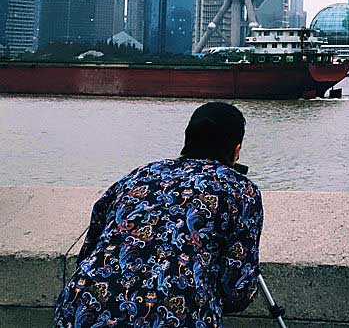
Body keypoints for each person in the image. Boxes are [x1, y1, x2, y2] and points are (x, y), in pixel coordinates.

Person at [54, 101, 263, 328]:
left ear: (188, 140)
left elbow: (91, 247)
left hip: (80, 306)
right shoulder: (241, 190)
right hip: (172, 318)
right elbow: (237, 288)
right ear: (236, 150)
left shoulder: (140, 175)